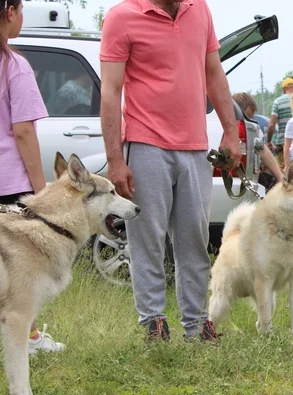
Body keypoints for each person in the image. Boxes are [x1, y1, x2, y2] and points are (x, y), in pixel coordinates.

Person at [100, 0, 243, 341]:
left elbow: (213, 72)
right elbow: (110, 91)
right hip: (145, 143)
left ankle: (196, 325)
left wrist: (230, 129)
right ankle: (154, 323)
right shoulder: (122, 16)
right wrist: (115, 160)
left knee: (194, 239)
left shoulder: (200, 10)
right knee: (147, 240)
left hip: (194, 147)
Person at [0, 0, 66, 355]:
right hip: (8, 183)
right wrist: (41, 191)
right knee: (19, 271)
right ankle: (29, 337)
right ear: (10, 11)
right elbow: (23, 131)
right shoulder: (14, 66)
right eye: (20, 8)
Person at [232, 92, 284, 182]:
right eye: (246, 117)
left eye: (251, 118)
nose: (249, 122)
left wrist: (280, 176)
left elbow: (262, 149)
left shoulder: (253, 129)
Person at [267, 77, 293, 162]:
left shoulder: (278, 102)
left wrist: (269, 141)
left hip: (283, 142)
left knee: (284, 170)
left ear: (284, 89)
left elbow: (272, 124)